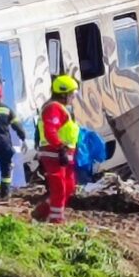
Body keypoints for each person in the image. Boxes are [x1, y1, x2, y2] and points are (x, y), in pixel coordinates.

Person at [32, 75, 80, 224]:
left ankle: (42, 211)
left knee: (69, 186)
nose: (73, 97)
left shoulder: (61, 109)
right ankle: (56, 219)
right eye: (72, 94)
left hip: (63, 153)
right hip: (54, 153)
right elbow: (50, 131)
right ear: (64, 93)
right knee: (59, 188)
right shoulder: (53, 108)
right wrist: (60, 148)